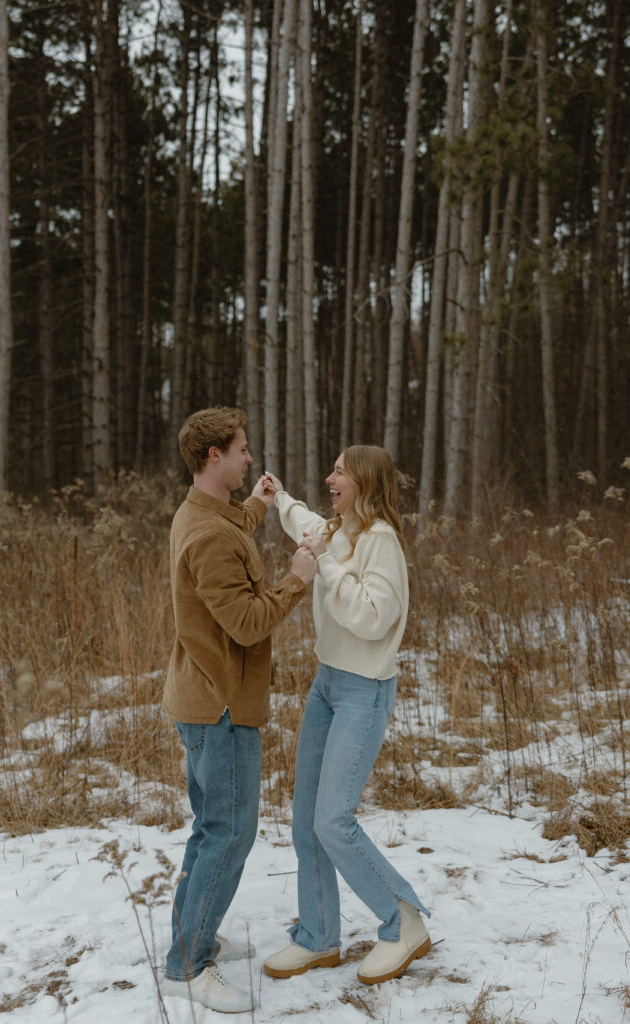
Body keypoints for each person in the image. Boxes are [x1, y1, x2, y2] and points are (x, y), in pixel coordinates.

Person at [162, 407, 318, 1013]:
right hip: (220, 707)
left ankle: (189, 939)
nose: (251, 457)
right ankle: (189, 966)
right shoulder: (207, 536)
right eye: (243, 450)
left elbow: (232, 532)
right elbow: (249, 623)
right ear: (213, 458)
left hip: (203, 698)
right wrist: (297, 577)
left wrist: (256, 504)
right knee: (230, 833)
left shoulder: (204, 512)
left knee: (211, 827)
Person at [261, 446, 431, 986]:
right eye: (330, 467)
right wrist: (278, 496)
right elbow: (307, 524)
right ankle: (317, 937)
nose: (329, 477)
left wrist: (326, 567)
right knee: (307, 817)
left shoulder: (380, 542)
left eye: (339, 471)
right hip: (326, 685)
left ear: (364, 481)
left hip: (365, 689)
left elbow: (374, 619)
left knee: (333, 818)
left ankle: (402, 922)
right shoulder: (338, 528)